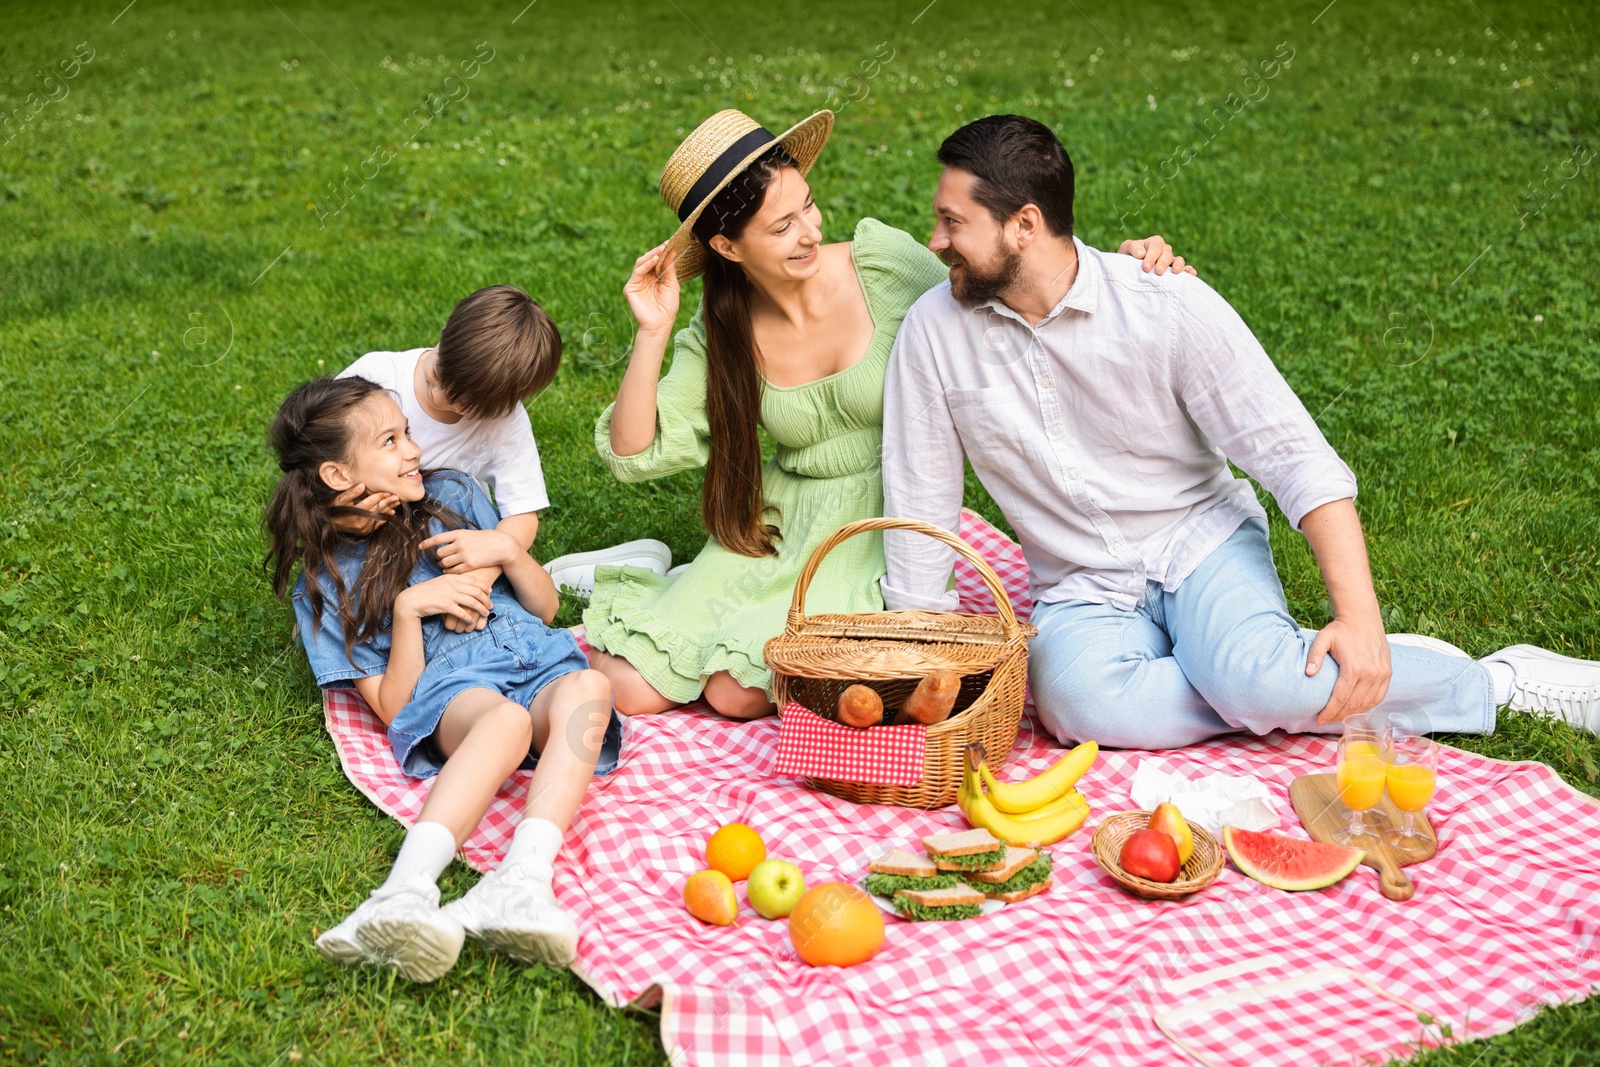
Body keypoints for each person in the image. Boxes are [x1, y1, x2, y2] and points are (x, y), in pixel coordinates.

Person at [881, 114, 1600, 748]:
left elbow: (1293, 455)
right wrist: (921, 661)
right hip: (1080, 583)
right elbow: (920, 505)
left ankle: (1494, 680)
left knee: (1254, 682)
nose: (935, 240)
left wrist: (1359, 617)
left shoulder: (1164, 305)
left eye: (953, 221)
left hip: (1201, 545)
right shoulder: (933, 335)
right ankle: (1266, 675)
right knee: (1075, 706)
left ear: (1024, 225)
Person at [583, 107, 1191, 721]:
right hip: (780, 522)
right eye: (781, 226)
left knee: (738, 694)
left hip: (885, 516)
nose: (811, 233)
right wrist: (651, 331)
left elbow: (998, 290)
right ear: (726, 245)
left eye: (809, 206)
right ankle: (659, 575)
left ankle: (687, 590)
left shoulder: (879, 265)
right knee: (634, 692)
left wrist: (1114, 274)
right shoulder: (723, 328)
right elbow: (635, 452)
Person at [264, 376, 624, 982]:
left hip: (536, 661)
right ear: (337, 476)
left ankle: (520, 881)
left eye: (406, 433)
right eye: (391, 440)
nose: (414, 450)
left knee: (591, 688)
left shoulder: (453, 494)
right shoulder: (326, 581)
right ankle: (403, 891)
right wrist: (411, 609)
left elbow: (545, 608)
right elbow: (392, 705)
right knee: (503, 720)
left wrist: (508, 553)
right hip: (454, 693)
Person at [338, 285, 671, 624]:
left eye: (463, 405)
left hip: (445, 546)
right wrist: (341, 516)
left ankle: (559, 580)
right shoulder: (377, 377)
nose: (438, 397)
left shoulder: (505, 423)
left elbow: (523, 514)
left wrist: (480, 580)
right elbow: (313, 466)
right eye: (436, 375)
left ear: (504, 407)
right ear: (444, 332)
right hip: (366, 536)